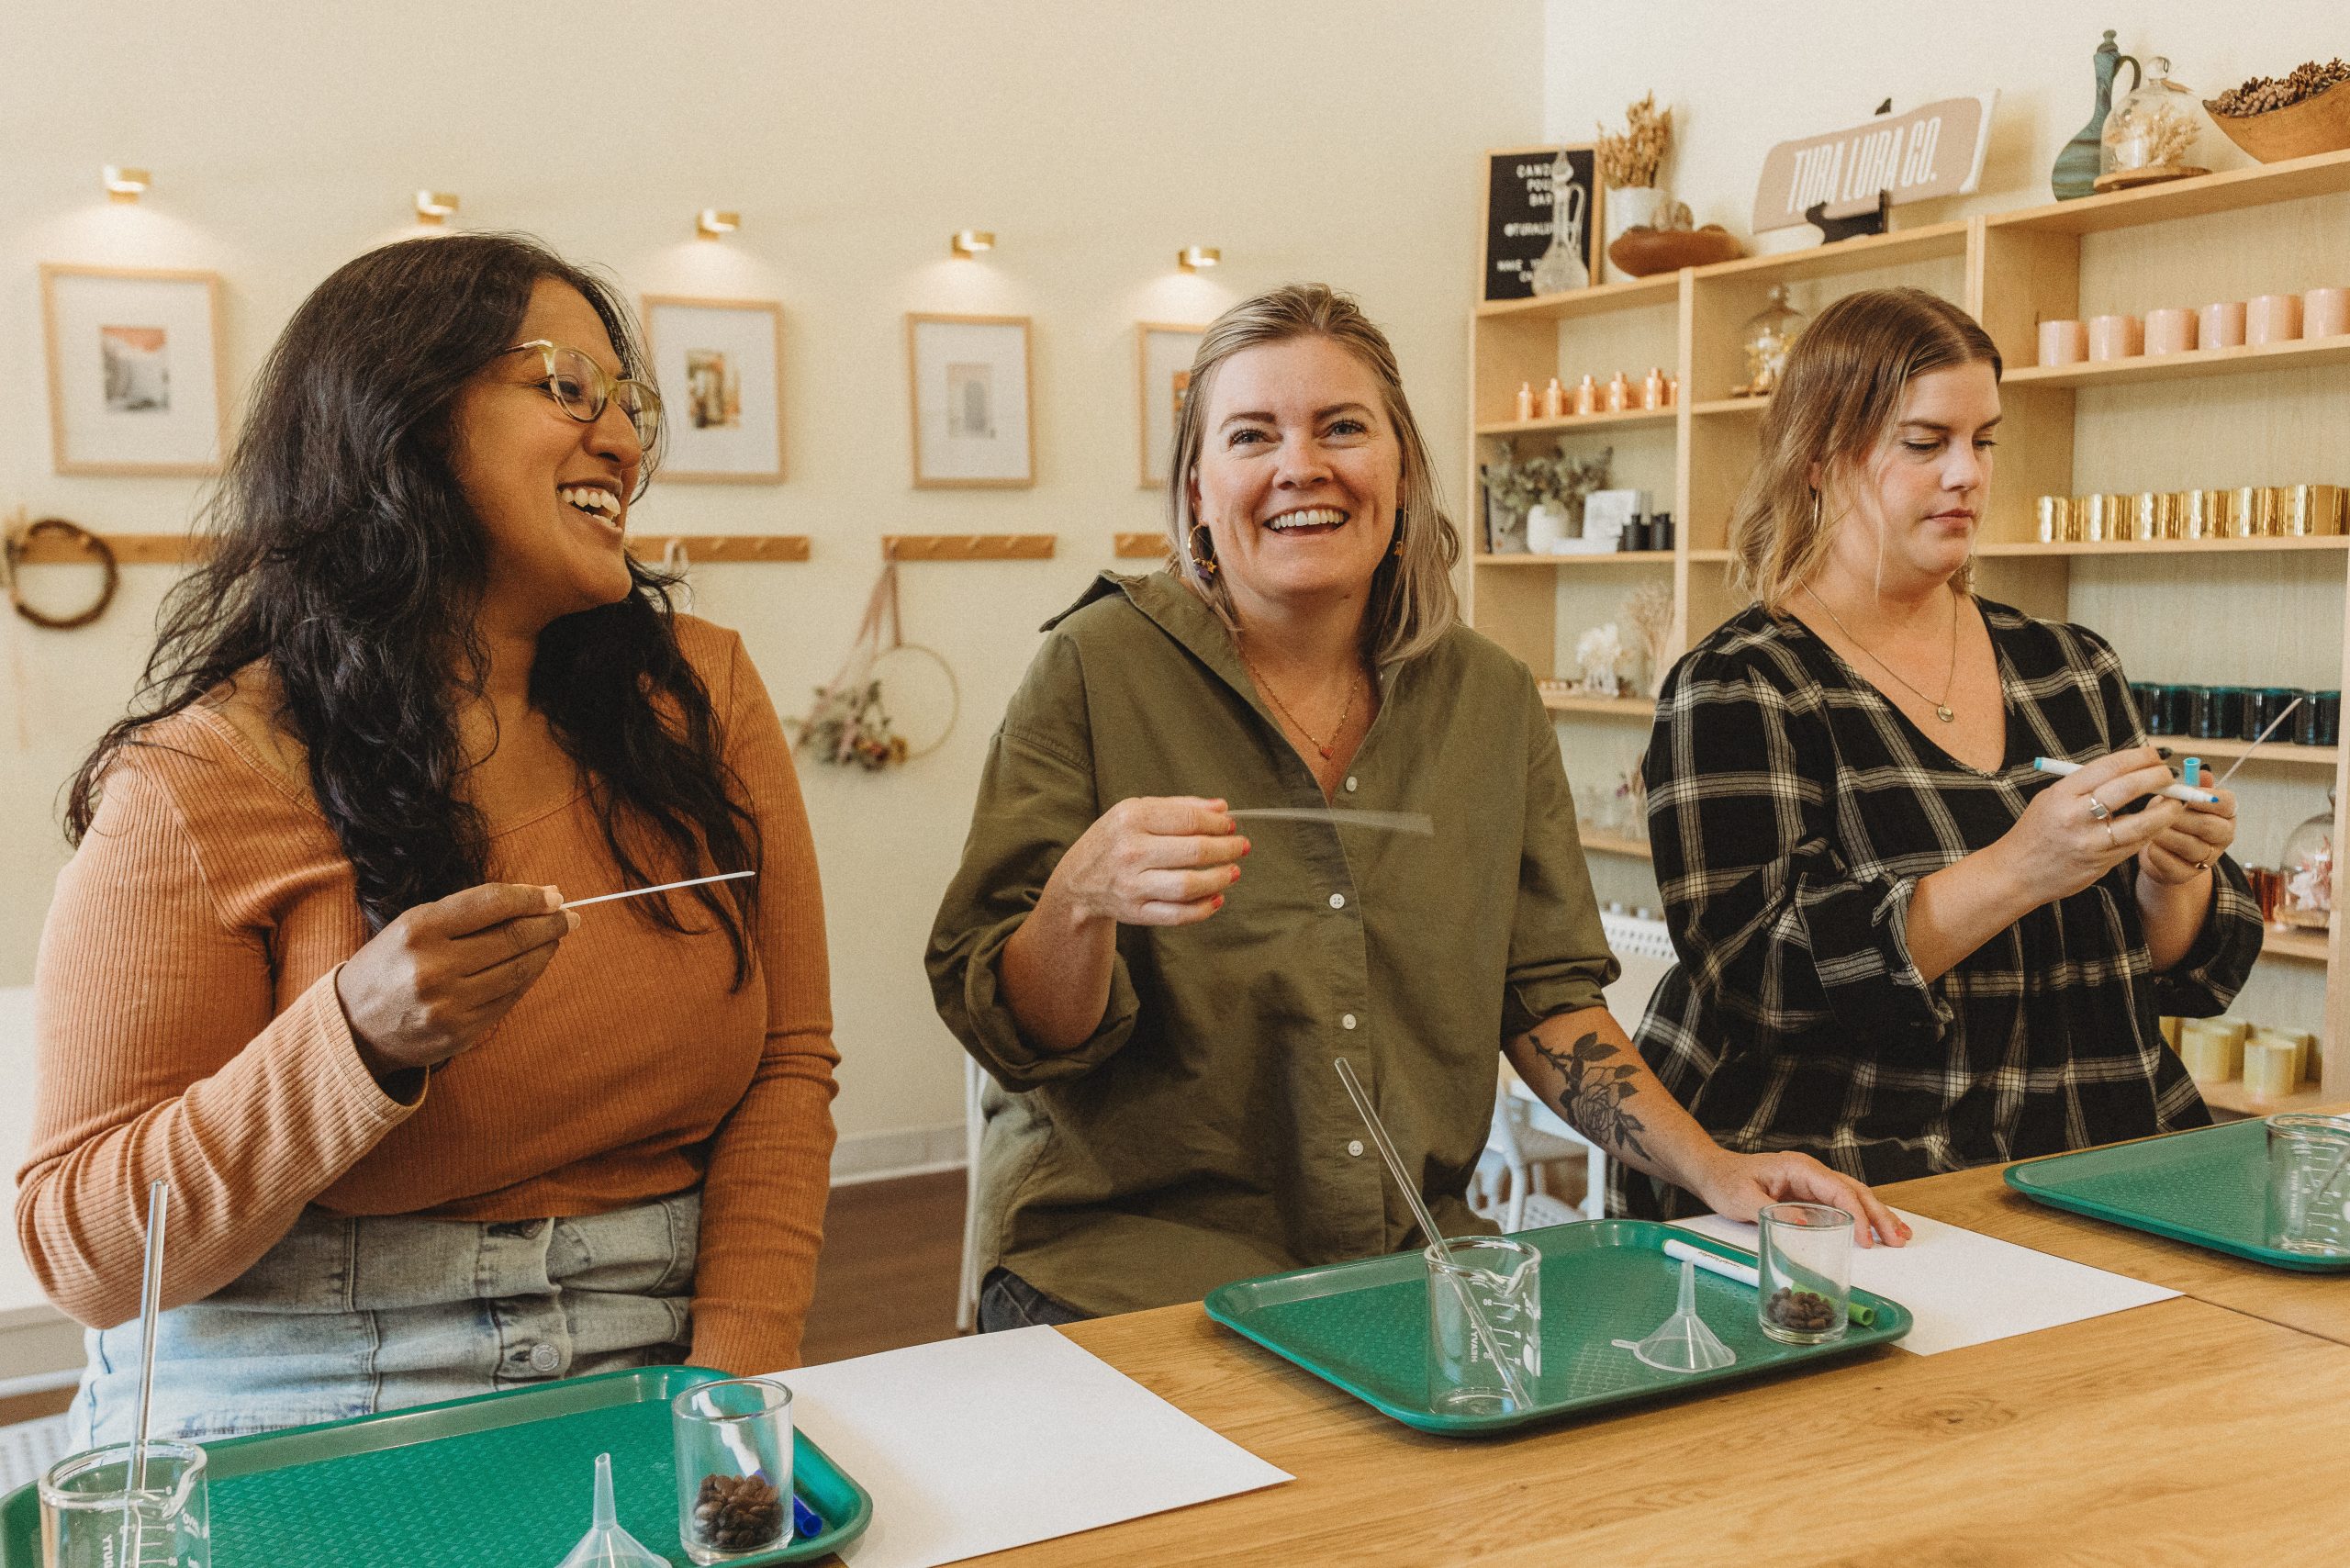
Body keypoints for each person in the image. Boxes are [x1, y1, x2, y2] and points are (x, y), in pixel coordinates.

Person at [929, 284, 1903, 1332]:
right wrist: (1079, 898)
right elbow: (1013, 1027)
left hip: (1405, 1262)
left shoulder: (1486, 699)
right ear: (1198, 491)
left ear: (1400, 466)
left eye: (1341, 427)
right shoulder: (1093, 669)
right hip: (1123, 1278)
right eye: (1251, 435)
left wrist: (1714, 1170)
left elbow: (1544, 1001)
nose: (1300, 465)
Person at [18, 234, 839, 1444]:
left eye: (630, 406)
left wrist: (730, 1399)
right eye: (567, 388)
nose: (623, 441)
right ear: (394, 422)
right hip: (295, 1381)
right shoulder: (201, 773)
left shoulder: (697, 695)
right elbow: (84, 1251)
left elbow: (788, 1064)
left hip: (655, 1348)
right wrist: (352, 1043)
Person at [1617, 286, 2259, 1219]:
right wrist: (2019, 866)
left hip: (2096, 1158)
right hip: (1860, 1188)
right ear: (1817, 458)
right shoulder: (1743, 684)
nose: (1966, 473)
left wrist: (2172, 876)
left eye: (1983, 439)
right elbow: (1758, 982)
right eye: (1925, 443)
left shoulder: (2069, 668)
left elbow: (2166, 969)